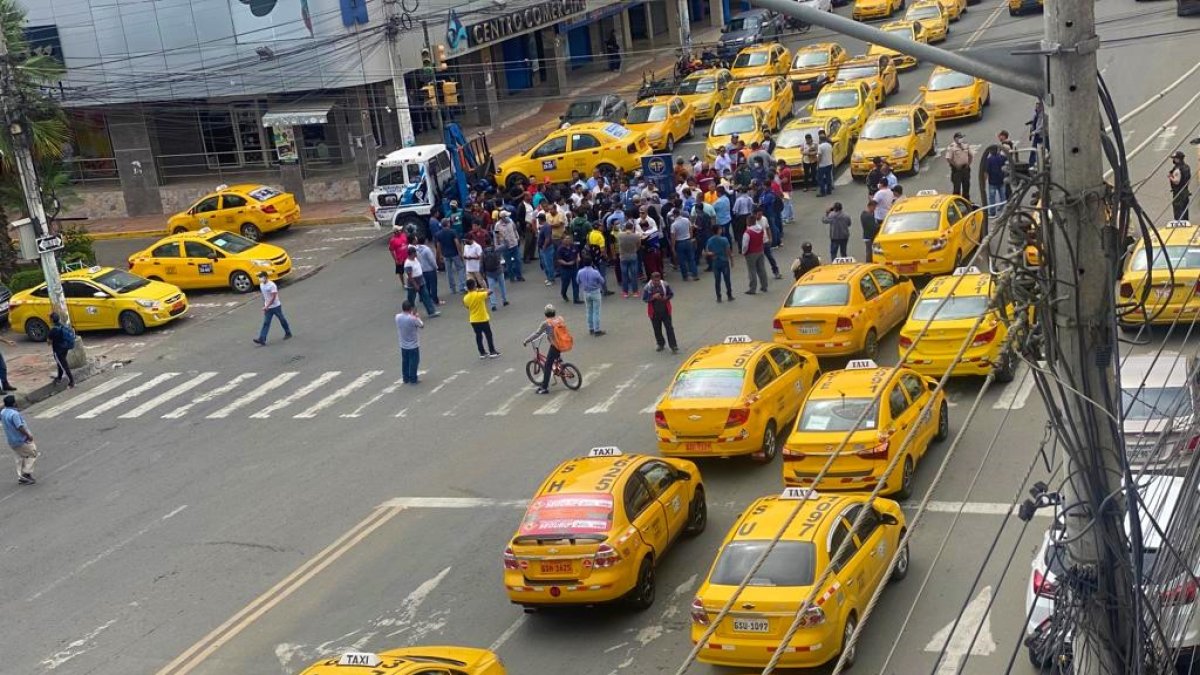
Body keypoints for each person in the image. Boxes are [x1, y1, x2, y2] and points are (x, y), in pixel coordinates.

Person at [523, 304, 570, 394]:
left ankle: (544, 388)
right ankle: (560, 363)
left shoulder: (546, 323)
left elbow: (537, 334)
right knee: (556, 356)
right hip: (563, 342)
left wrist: (526, 340)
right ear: (554, 313)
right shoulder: (560, 319)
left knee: (548, 366)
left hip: (555, 345)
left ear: (545, 314)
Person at [2, 395, 36, 485]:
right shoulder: (14, 414)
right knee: (32, 453)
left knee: (20, 457)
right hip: (20, 439)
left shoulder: (3, 412)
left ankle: (21, 475)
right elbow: (19, 427)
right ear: (14, 403)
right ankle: (26, 474)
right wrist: (28, 435)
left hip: (11, 440)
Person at [463, 279, 500, 359]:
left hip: (473, 320)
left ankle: (482, 353)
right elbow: (490, 292)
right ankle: (492, 351)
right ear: (474, 285)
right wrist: (482, 289)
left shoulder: (466, 297)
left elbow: (467, 307)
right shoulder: (479, 295)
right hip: (482, 318)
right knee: (488, 335)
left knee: (478, 336)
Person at [642, 272, 678, 353]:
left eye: (658, 280)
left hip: (665, 310)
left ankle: (673, 346)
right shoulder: (647, 288)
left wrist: (666, 297)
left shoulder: (665, 285)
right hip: (654, 312)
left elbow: (671, 294)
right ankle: (660, 343)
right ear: (651, 280)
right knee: (657, 329)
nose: (657, 282)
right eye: (655, 281)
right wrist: (653, 297)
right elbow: (645, 299)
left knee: (669, 328)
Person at [253, 271, 293, 345]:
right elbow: (264, 296)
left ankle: (288, 333)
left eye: (261, 277)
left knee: (282, 319)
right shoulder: (261, 285)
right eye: (259, 277)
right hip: (268, 308)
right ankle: (262, 339)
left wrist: (267, 306)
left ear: (265, 277)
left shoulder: (272, 285)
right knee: (266, 323)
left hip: (276, 306)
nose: (260, 278)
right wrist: (265, 305)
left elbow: (273, 297)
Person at [403, 246, 438, 317]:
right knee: (411, 299)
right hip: (413, 283)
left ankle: (431, 312)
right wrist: (415, 285)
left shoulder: (415, 259)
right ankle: (410, 313)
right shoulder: (408, 263)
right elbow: (409, 276)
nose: (416, 253)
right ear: (412, 254)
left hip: (421, 280)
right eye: (415, 252)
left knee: (426, 296)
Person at [395, 300, 424, 384]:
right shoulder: (413, 319)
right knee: (414, 362)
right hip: (413, 345)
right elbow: (421, 325)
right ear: (410, 308)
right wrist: (417, 316)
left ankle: (405, 378)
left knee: (405, 361)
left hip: (403, 344)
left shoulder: (397, 317)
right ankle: (413, 378)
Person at [742, 210, 769, 295]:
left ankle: (752, 288)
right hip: (760, 250)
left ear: (749, 222)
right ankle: (764, 286)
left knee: (752, 270)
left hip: (751, 253)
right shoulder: (760, 229)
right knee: (762, 269)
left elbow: (745, 245)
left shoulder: (748, 232)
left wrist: (744, 252)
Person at [577, 257, 606, 336]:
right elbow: (602, 281)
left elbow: (578, 281)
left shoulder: (580, 272)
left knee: (589, 310)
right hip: (595, 291)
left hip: (586, 292)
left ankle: (591, 328)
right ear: (591, 263)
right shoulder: (595, 272)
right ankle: (597, 329)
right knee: (596, 311)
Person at [705, 223, 734, 302]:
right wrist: (731, 260)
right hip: (724, 261)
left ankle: (719, 297)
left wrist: (712, 254)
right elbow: (728, 251)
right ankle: (729, 295)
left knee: (717, 280)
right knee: (727, 279)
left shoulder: (710, 240)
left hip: (715, 262)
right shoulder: (724, 240)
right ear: (718, 230)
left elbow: (707, 252)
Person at [434, 222, 465, 294]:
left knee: (449, 272)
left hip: (446, 255)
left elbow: (438, 246)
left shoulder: (438, 234)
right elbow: (457, 242)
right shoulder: (453, 232)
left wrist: (440, 255)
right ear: (448, 224)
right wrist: (460, 253)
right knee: (460, 269)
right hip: (455, 254)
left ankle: (453, 289)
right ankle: (462, 288)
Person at [493, 210, 523, 281]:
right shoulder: (497, 225)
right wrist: (497, 246)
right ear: (502, 218)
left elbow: (515, 230)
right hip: (505, 247)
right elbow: (496, 236)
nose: (508, 217)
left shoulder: (511, 221)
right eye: (506, 216)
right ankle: (511, 277)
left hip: (514, 244)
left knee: (518, 260)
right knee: (509, 263)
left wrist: (517, 238)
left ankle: (519, 276)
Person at [47, 313, 75, 387]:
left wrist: (50, 338)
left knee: (63, 365)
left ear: (52, 320)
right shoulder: (63, 326)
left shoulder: (53, 330)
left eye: (50, 318)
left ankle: (71, 381)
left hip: (58, 350)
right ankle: (59, 378)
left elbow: (49, 343)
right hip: (65, 348)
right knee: (60, 364)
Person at [669, 208, 697, 281]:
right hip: (688, 241)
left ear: (674, 215)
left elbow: (673, 237)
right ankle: (695, 275)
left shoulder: (673, 225)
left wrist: (672, 247)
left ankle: (685, 276)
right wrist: (690, 237)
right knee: (691, 259)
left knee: (682, 260)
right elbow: (690, 229)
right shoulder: (686, 220)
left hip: (679, 243)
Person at [944, 132, 973, 200]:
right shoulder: (952, 147)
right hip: (957, 170)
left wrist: (968, 164)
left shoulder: (965, 145)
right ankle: (957, 202)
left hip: (965, 169)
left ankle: (966, 201)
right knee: (957, 188)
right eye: (959, 138)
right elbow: (948, 158)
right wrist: (955, 165)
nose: (961, 139)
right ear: (955, 139)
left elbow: (971, 155)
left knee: (966, 186)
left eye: (962, 137)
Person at [482, 237, 509, 310]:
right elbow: (507, 245)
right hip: (498, 270)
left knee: (491, 288)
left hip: (489, 272)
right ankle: (504, 300)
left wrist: (483, 273)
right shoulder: (497, 249)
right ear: (491, 242)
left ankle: (493, 305)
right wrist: (503, 238)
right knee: (502, 286)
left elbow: (482, 263)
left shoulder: (483, 252)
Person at [415, 236, 442, 305]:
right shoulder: (427, 250)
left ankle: (427, 299)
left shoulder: (416, 249)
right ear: (425, 241)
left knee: (426, 286)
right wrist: (436, 267)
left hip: (422, 270)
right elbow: (431, 260)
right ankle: (435, 300)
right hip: (430, 270)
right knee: (433, 285)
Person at [556, 234, 582, 304]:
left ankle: (576, 299)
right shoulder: (560, 249)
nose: (568, 240)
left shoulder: (574, 246)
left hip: (574, 268)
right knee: (565, 283)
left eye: (569, 238)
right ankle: (563, 293)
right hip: (565, 269)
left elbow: (577, 253)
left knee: (576, 283)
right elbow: (559, 259)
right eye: (566, 238)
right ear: (563, 240)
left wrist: (578, 258)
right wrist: (567, 263)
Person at [984, 146, 1008, 217]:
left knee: (992, 198)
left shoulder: (989, 160)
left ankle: (992, 212)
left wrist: (984, 181)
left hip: (992, 181)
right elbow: (1007, 167)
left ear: (990, 152)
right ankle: (1004, 211)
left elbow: (986, 172)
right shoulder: (1003, 158)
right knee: (1003, 196)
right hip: (1001, 180)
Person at [1169, 150, 1192, 221]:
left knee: (1178, 210)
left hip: (1178, 192)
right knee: (1185, 209)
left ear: (1178, 159)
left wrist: (1170, 177)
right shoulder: (1187, 167)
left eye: (1174, 158)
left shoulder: (1177, 169)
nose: (1173, 160)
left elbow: (1176, 181)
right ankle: (1185, 223)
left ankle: (1179, 225)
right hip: (1185, 191)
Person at [817, 131, 836, 196]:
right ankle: (829, 190)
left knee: (820, 178)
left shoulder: (820, 146)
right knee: (828, 178)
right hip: (829, 164)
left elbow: (819, 156)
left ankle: (822, 192)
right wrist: (833, 162)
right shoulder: (829, 145)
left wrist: (818, 163)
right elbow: (832, 154)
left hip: (822, 165)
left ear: (820, 139)